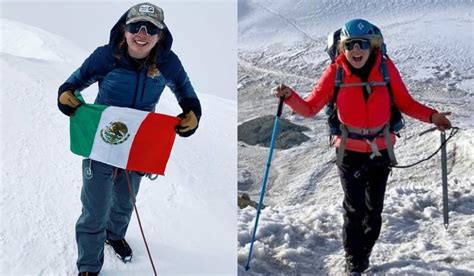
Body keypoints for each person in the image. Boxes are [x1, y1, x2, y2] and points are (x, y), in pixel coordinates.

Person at [273, 19, 451, 274]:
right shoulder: (335, 72)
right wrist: (289, 97)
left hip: (381, 151)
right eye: (350, 45)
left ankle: (364, 251)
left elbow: (406, 103)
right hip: (349, 153)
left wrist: (433, 116)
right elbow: (310, 108)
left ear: (372, 47)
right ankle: (354, 259)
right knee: (354, 208)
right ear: (342, 47)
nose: (356, 50)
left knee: (374, 210)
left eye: (362, 44)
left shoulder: (386, 69)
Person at [57, 3, 201, 275]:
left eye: (151, 28)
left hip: (140, 141)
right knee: (96, 205)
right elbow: (74, 82)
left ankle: (114, 234)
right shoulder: (106, 56)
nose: (142, 33)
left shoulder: (167, 61)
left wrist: (193, 111)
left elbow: (183, 88)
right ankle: (88, 266)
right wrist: (66, 95)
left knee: (125, 198)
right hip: (103, 138)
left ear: (160, 34)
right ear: (125, 29)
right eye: (135, 26)